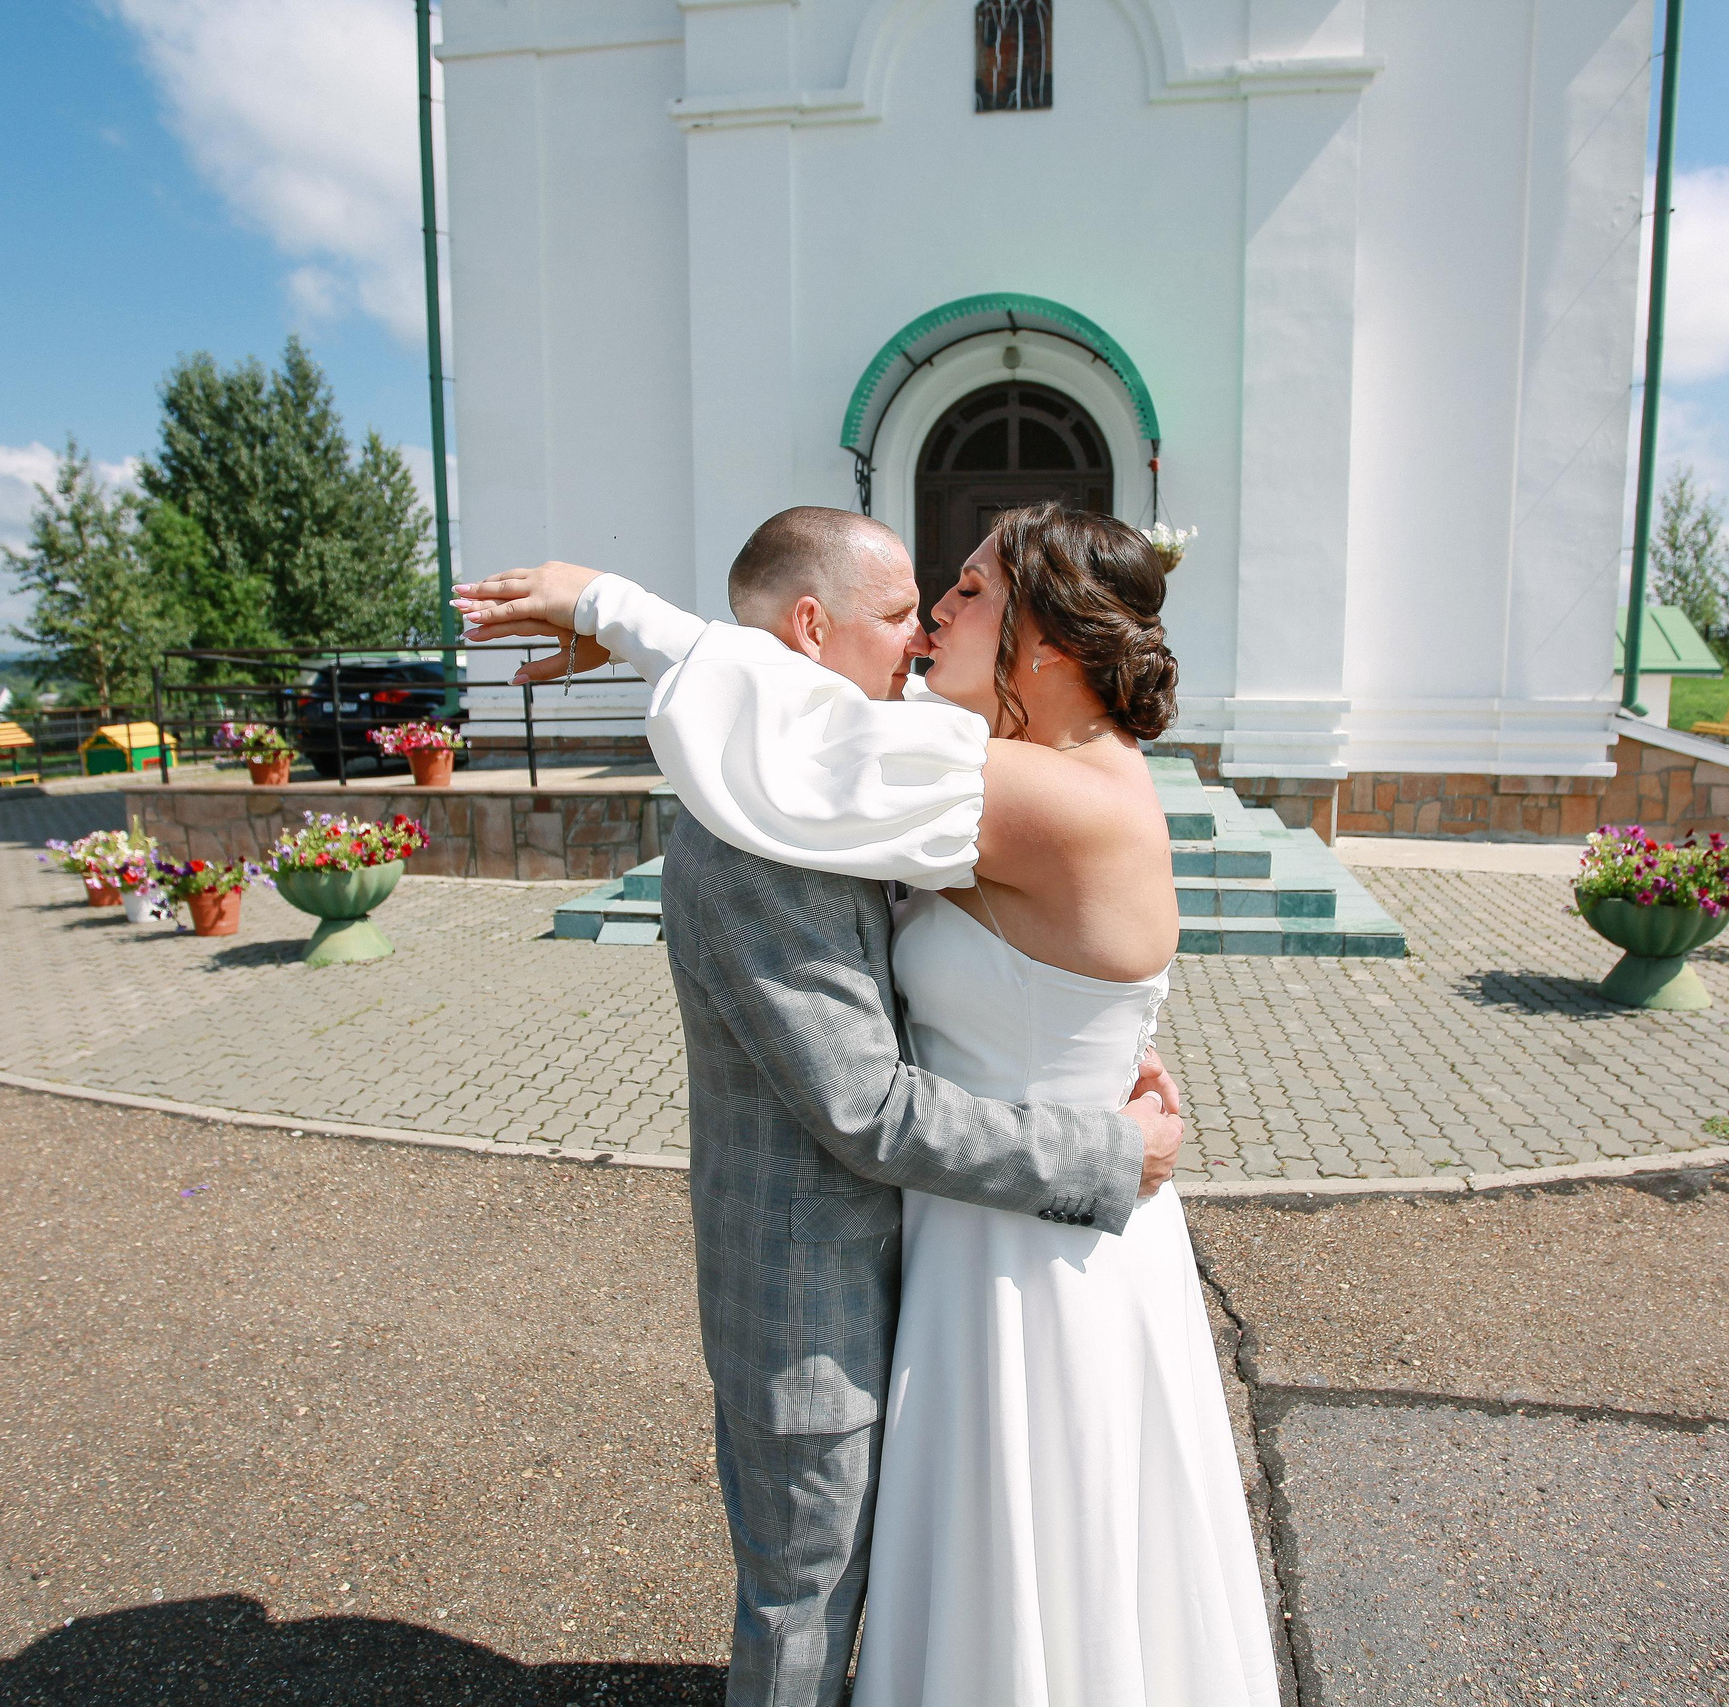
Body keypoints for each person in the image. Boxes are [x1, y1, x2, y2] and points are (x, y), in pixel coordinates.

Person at [458, 503, 1278, 1705]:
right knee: (998, 1561)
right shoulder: (1035, 773)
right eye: (915, 602)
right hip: (986, 1222)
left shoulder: (1033, 791)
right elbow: (801, 715)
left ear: (1044, 641)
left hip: (1038, 1252)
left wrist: (608, 604)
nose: (935, 618)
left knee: (1044, 1539)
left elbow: (801, 729)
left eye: (965, 593)